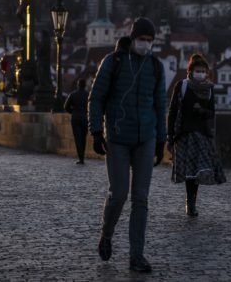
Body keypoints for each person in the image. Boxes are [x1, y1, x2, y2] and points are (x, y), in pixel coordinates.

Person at [88, 17, 166, 273]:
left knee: (141, 199)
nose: (146, 44)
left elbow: (160, 106)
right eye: (143, 39)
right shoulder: (114, 62)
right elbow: (96, 97)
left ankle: (136, 255)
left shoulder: (155, 67)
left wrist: (161, 140)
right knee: (119, 193)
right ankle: (107, 234)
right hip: (119, 137)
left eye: (150, 41)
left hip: (146, 137)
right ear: (133, 39)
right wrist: (97, 131)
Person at [167, 54, 226, 216]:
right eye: (197, 71)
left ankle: (191, 202)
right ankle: (190, 202)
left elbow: (212, 113)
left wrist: (202, 111)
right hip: (184, 134)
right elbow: (172, 111)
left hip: (201, 134)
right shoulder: (182, 86)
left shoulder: (208, 89)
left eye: (203, 71)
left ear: (207, 72)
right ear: (191, 71)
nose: (200, 73)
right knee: (189, 171)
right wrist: (170, 136)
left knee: (197, 170)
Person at [64, 78, 89, 164]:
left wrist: (73, 112)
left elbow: (66, 106)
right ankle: (82, 157)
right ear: (85, 85)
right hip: (85, 118)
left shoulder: (73, 94)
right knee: (83, 138)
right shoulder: (88, 95)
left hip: (75, 118)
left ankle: (81, 158)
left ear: (78, 85)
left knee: (78, 138)